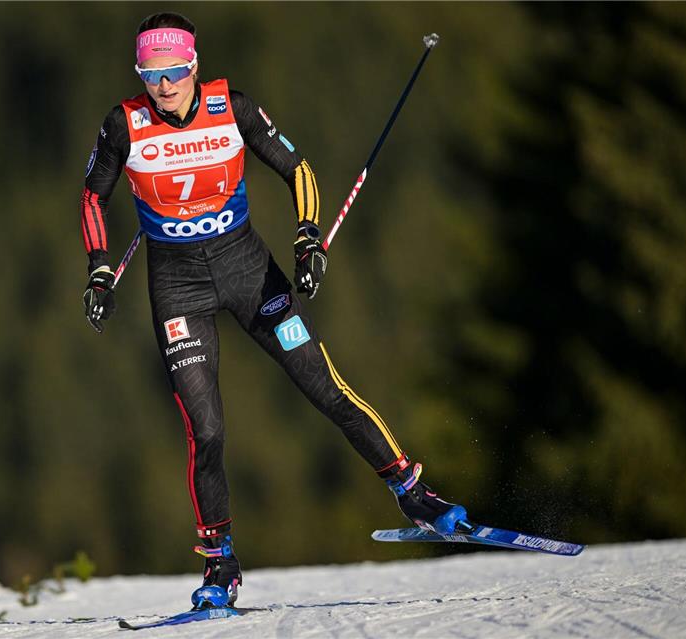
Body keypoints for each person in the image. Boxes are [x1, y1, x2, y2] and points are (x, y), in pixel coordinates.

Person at [80, 12, 465, 609]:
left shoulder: (230, 108)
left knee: (323, 385)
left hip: (248, 272)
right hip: (177, 287)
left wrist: (309, 238)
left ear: (194, 65)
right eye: (151, 74)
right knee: (206, 429)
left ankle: (412, 492)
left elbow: (297, 168)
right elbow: (93, 197)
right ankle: (219, 564)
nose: (164, 84)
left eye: (175, 70)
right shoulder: (123, 124)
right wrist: (100, 271)